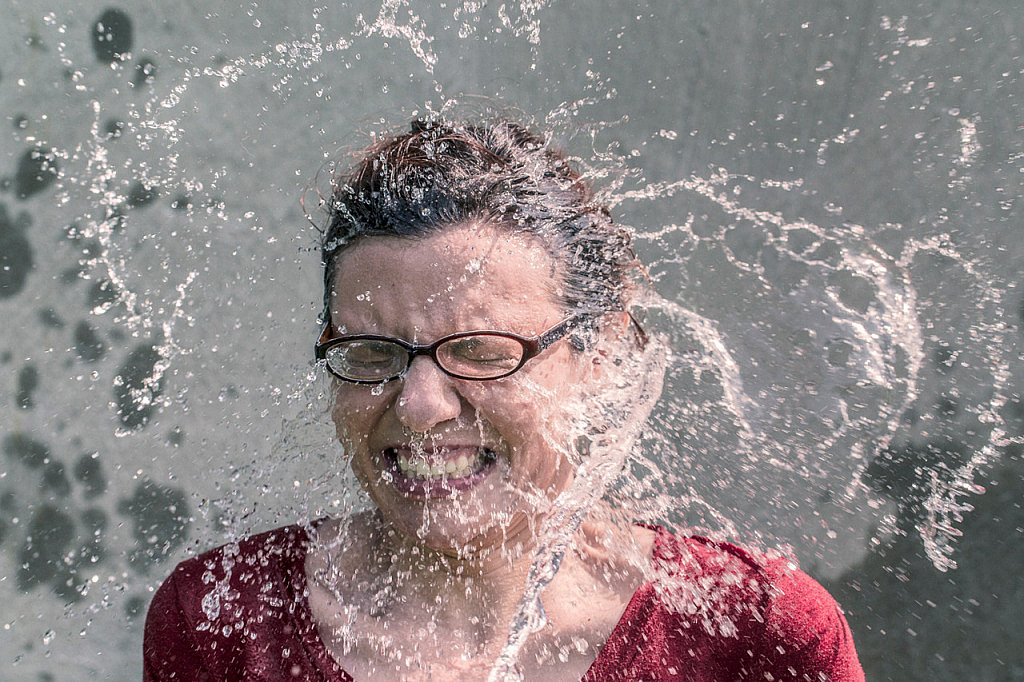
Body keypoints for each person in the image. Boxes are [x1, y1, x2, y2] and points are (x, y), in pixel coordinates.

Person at [143, 117, 864, 681]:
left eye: (482, 351)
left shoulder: (757, 633)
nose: (420, 406)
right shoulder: (222, 619)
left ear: (603, 354)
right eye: (371, 355)